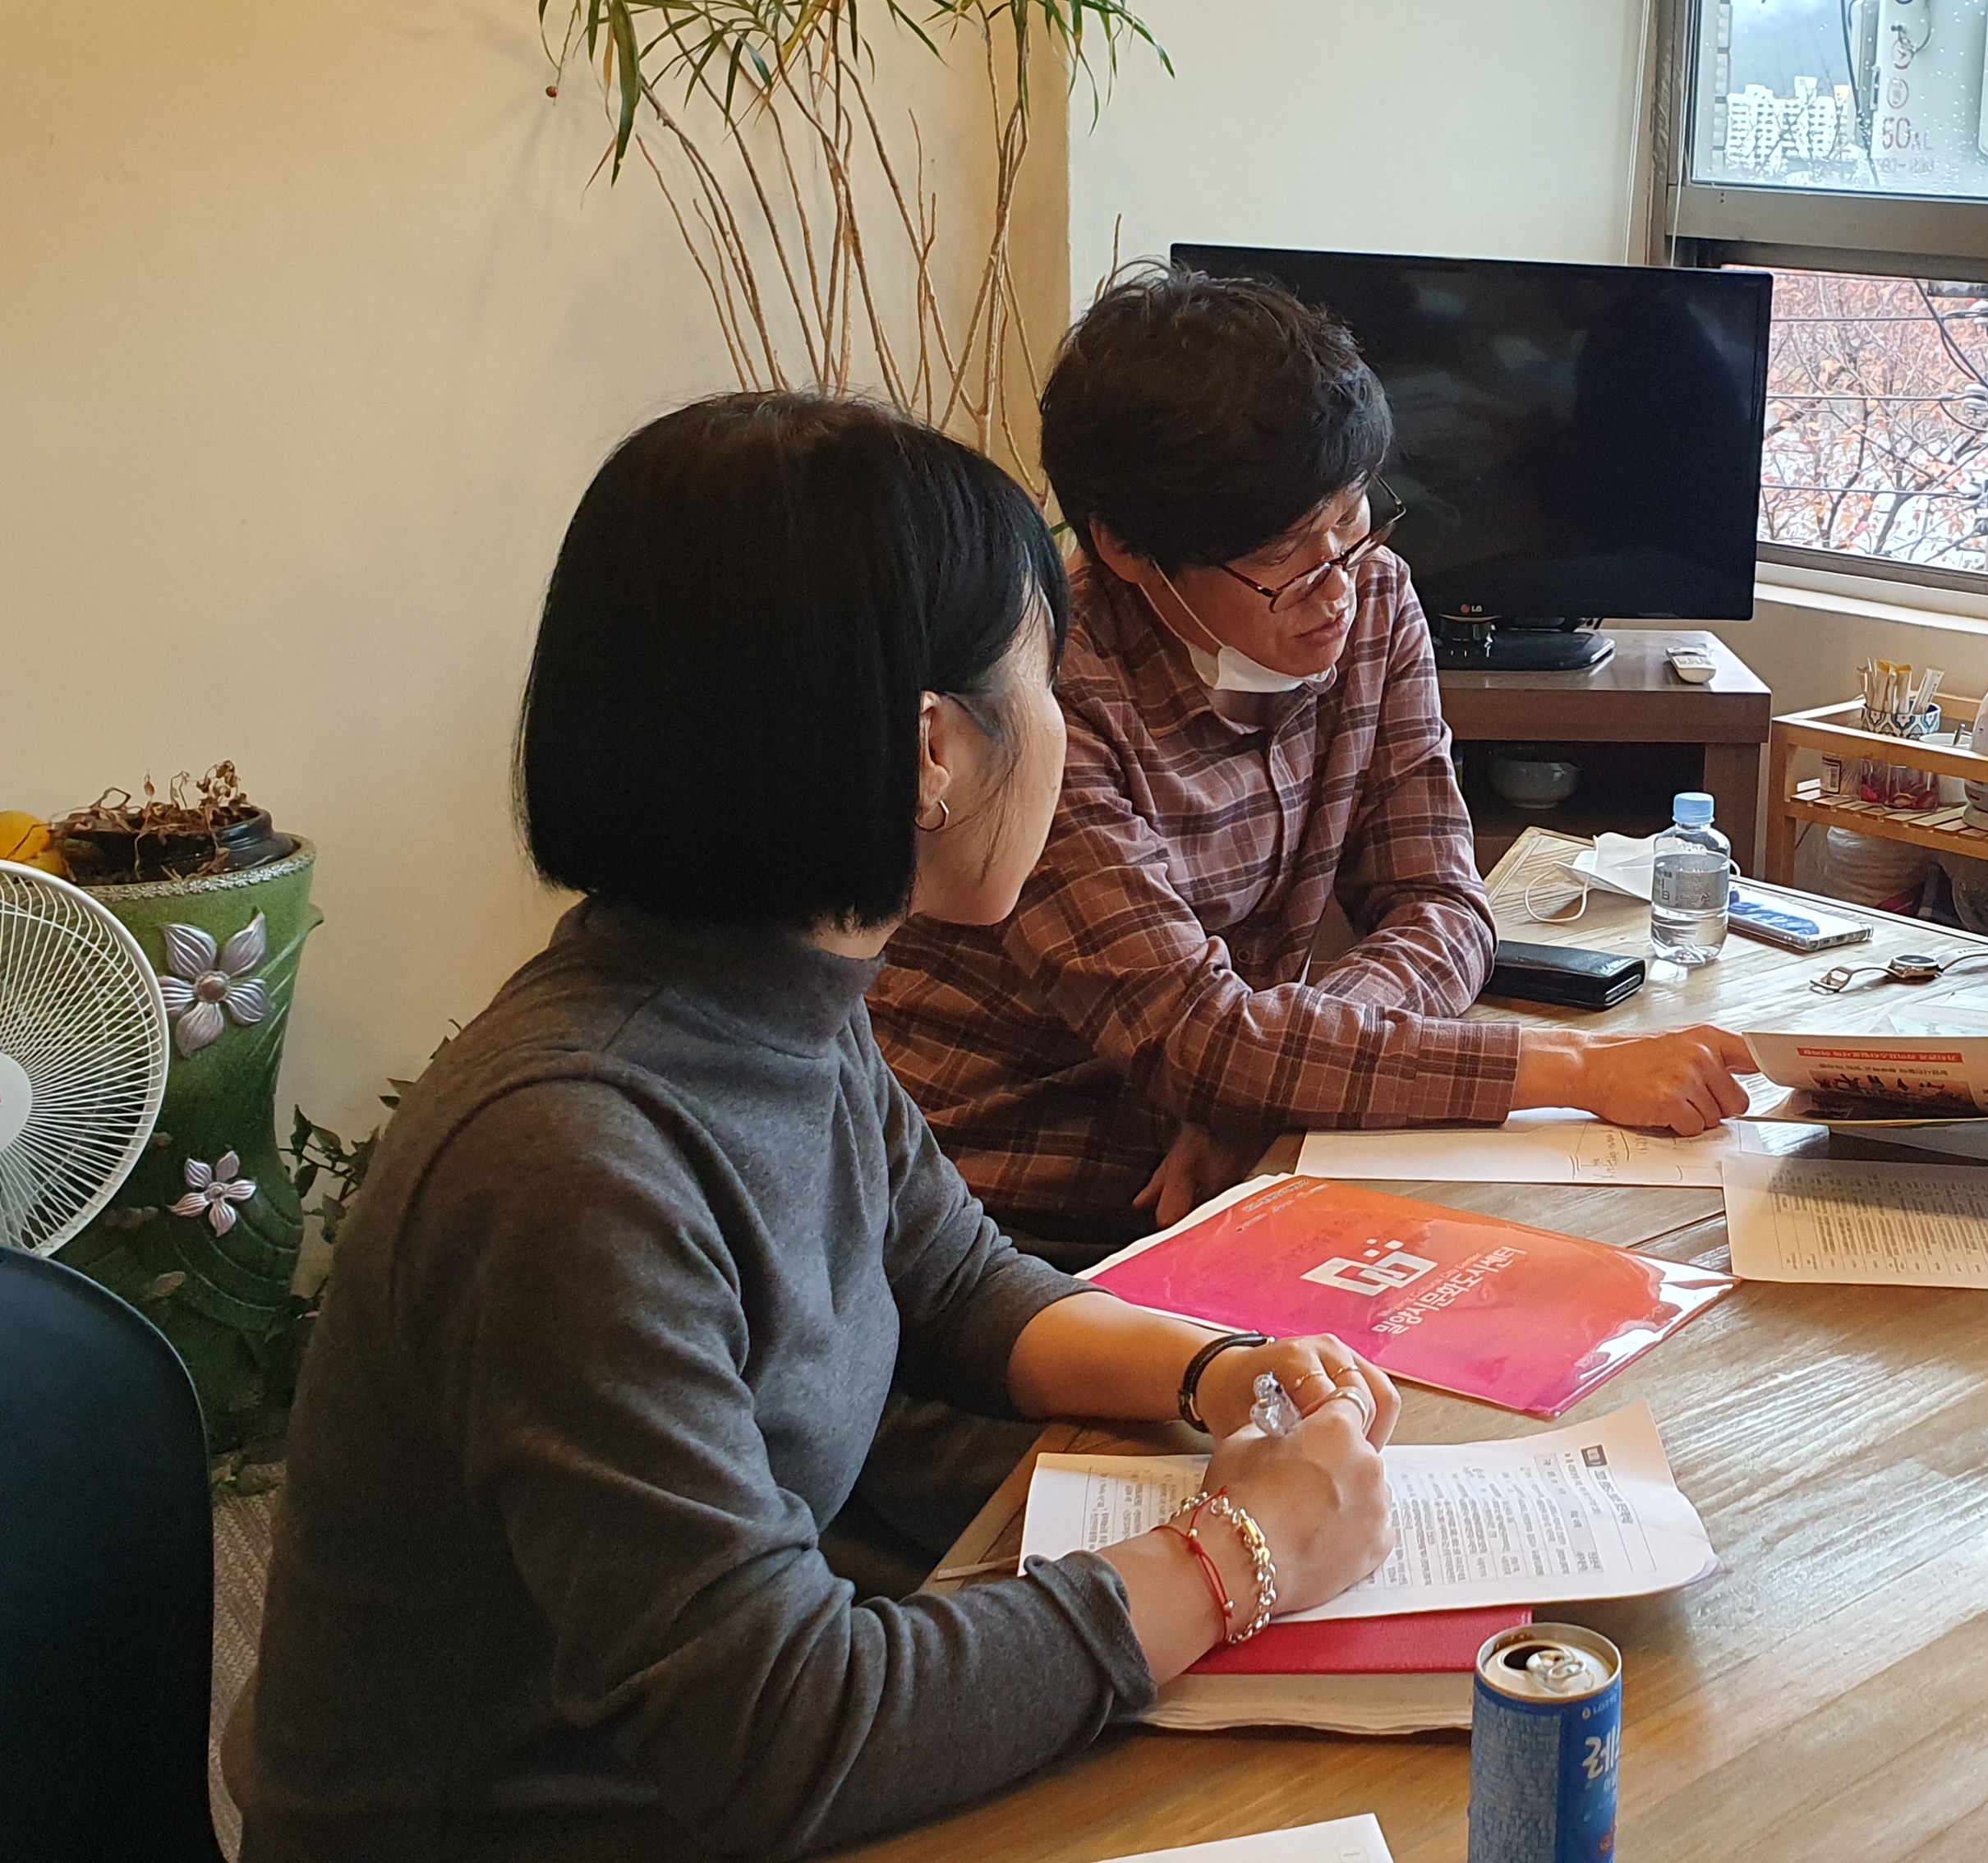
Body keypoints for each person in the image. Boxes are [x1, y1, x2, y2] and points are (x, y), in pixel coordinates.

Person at [232, 394, 1401, 1861]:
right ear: (932, 752)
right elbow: (782, 1736)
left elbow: (955, 1281)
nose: (1067, 730)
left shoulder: (772, 992)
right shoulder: (572, 1167)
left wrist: (1217, 1370)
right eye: (1047, 683)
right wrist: (1240, 1554)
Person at [874, 265, 1754, 1262]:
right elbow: (1194, 1037)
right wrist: (1577, 1070)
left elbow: (1442, 905)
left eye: (1350, 520)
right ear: (1124, 547)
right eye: (1285, 556)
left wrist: (1269, 1086)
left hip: (1260, 1158)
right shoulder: (1043, 693)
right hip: (1012, 1211)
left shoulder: (1373, 598)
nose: (1336, 586)